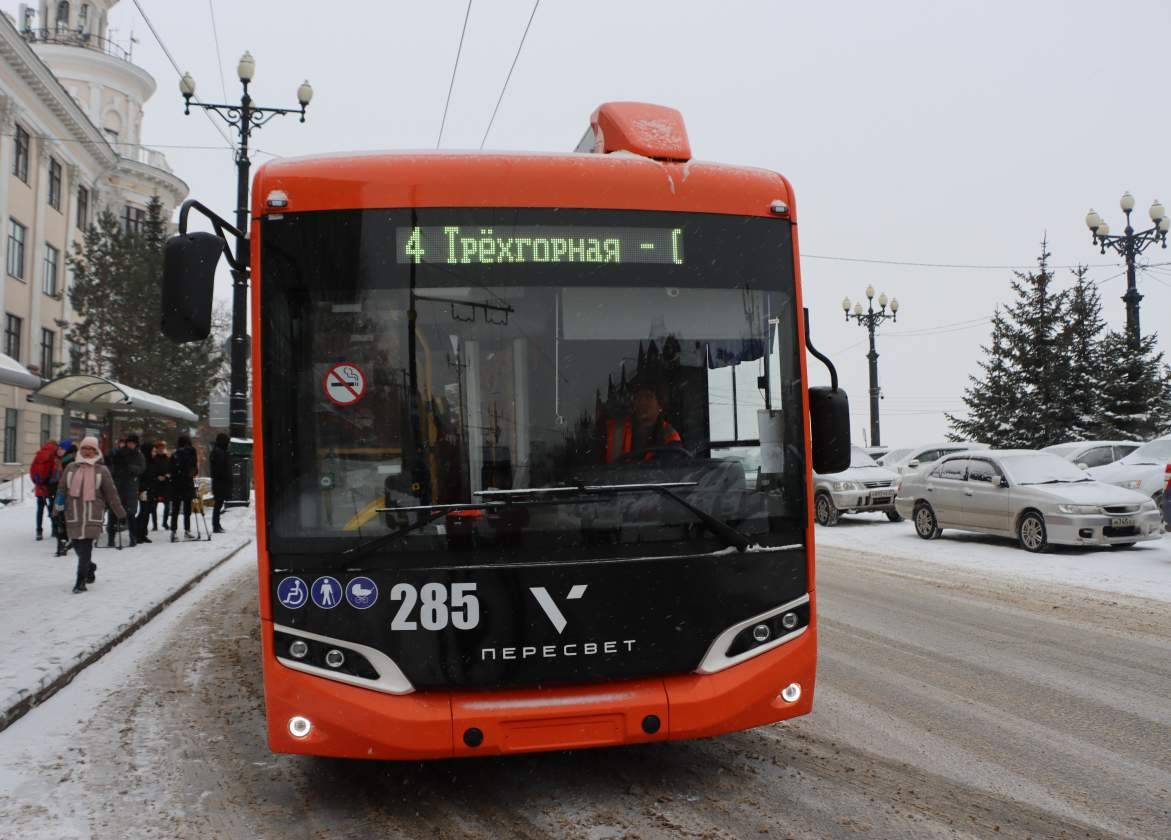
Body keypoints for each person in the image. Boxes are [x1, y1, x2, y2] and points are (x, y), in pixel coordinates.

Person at [55, 436, 126, 593]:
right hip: (73, 513)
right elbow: (61, 489)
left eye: (91, 449)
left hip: (93, 514)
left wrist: (120, 512)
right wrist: (57, 508)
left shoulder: (102, 470)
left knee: (86, 547)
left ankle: (80, 582)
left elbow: (111, 494)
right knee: (78, 546)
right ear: (80, 450)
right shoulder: (71, 468)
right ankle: (90, 566)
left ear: (96, 451)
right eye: (84, 448)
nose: (87, 451)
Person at [604, 380, 683, 463]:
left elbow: (668, 472)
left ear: (660, 404)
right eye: (638, 397)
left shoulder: (670, 437)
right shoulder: (615, 428)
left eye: (648, 397)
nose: (642, 402)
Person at [107, 433, 145, 548]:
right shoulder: (118, 453)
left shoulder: (139, 455)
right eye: (129, 443)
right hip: (118, 485)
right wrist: (117, 470)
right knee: (113, 513)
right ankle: (111, 538)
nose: (130, 445)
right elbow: (111, 466)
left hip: (131, 487)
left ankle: (132, 537)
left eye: (132, 443)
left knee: (131, 514)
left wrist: (130, 467)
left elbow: (142, 468)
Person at [136, 440, 170, 542]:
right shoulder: (143, 461)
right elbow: (143, 476)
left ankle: (143, 533)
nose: (153, 452)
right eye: (152, 450)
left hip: (151, 488)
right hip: (144, 489)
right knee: (144, 511)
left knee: (147, 512)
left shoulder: (151, 461)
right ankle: (138, 532)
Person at [168, 434, 198, 540]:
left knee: (175, 509)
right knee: (187, 509)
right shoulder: (191, 454)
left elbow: (171, 470)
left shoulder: (174, 455)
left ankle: (174, 531)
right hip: (187, 484)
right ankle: (187, 530)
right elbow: (194, 470)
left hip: (176, 485)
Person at [30, 438, 58, 540]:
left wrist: (37, 482)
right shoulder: (54, 454)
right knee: (52, 508)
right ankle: (54, 529)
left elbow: (32, 470)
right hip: (50, 487)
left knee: (40, 510)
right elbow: (55, 471)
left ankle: (39, 531)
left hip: (40, 486)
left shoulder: (39, 454)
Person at [52, 440, 76, 556]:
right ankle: (63, 543)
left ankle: (63, 543)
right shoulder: (60, 460)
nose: (59, 450)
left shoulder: (69, 461)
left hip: (66, 494)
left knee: (62, 518)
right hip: (59, 492)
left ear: (67, 450)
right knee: (59, 518)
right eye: (59, 448)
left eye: (62, 448)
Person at [209, 433, 231, 534]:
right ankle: (216, 525)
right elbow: (221, 469)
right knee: (218, 504)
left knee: (218, 504)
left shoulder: (216, 451)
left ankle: (216, 524)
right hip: (220, 482)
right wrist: (226, 476)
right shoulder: (220, 453)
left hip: (218, 482)